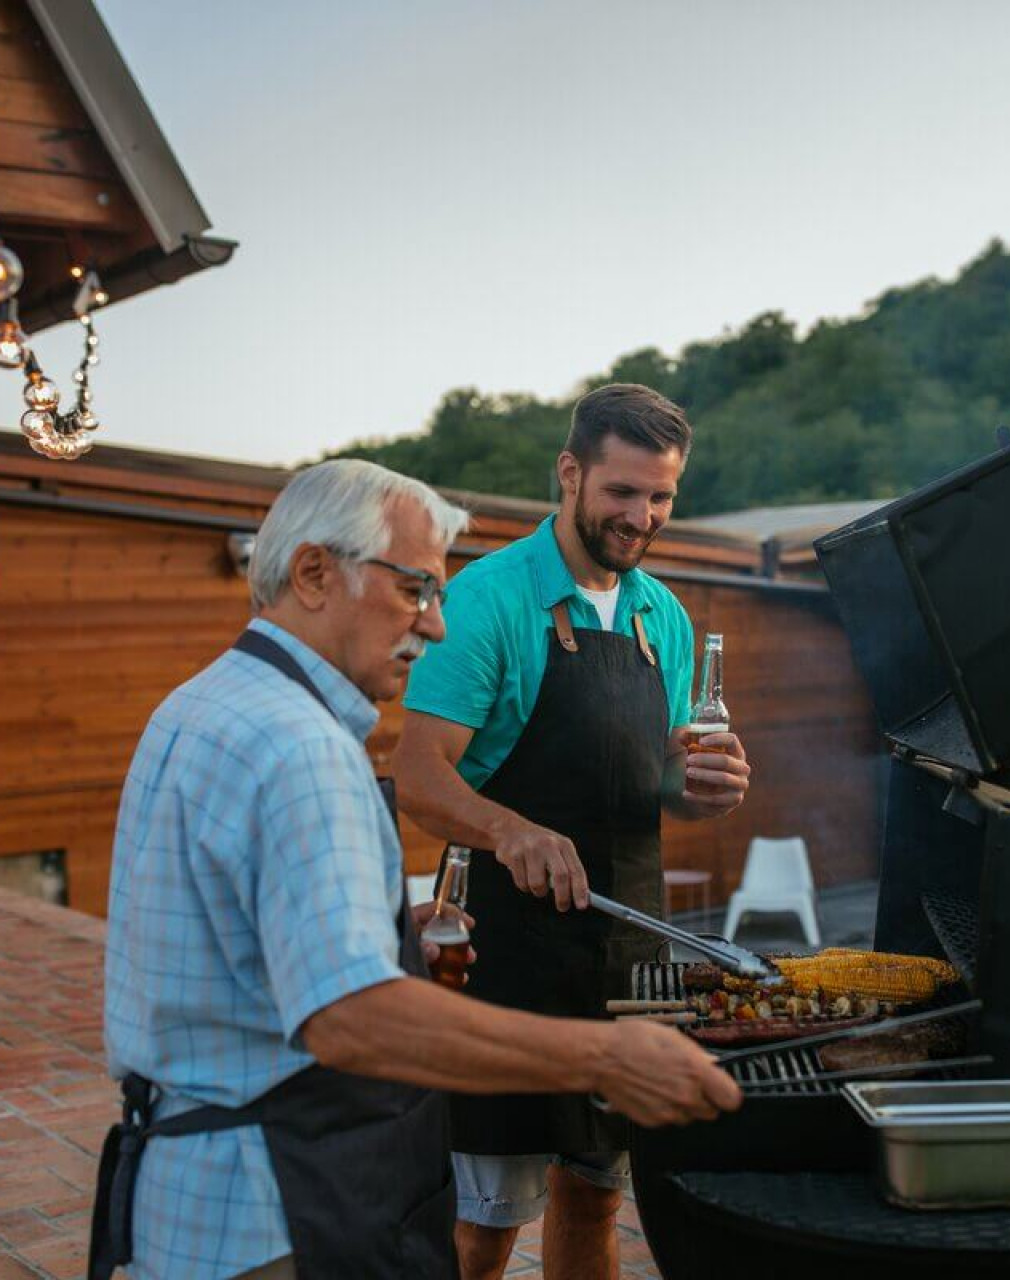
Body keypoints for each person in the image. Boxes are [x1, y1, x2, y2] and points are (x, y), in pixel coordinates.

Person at [91, 460, 739, 1280]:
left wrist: (395, 951)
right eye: (415, 590)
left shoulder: (203, 702)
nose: (434, 625)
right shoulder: (303, 747)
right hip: (268, 1206)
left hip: (189, 1195)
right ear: (316, 573)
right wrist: (608, 1059)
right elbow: (352, 1021)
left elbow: (244, 945)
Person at [392, 385, 752, 1280]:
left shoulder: (658, 615)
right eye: (623, 492)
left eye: (661, 496)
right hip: (504, 953)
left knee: (595, 1196)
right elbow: (419, 773)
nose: (642, 517)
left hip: (627, 944)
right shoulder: (488, 600)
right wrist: (509, 829)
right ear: (570, 472)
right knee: (484, 1227)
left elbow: (655, 777)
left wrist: (703, 786)